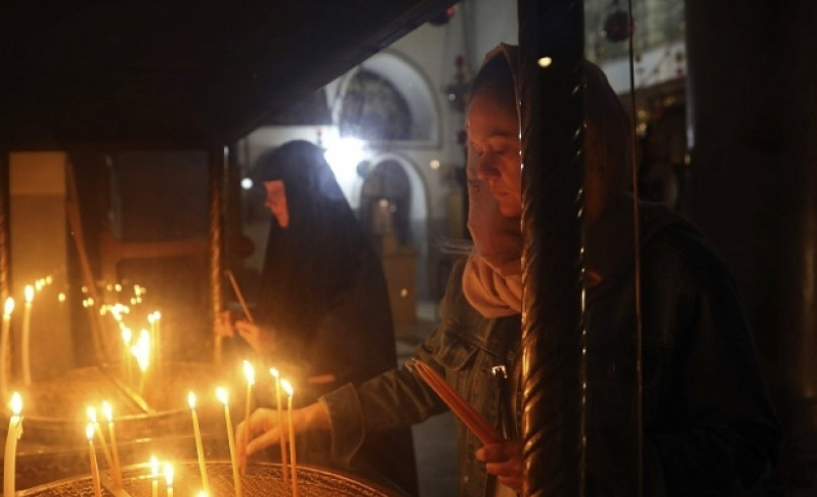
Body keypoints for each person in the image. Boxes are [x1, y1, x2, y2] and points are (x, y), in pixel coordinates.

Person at [239, 45, 782, 496]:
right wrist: (309, 419)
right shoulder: (480, 277)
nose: (480, 170)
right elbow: (430, 376)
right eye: (475, 150)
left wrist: (588, 465)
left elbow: (745, 445)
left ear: (577, 152)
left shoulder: (672, 277)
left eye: (502, 149)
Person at [222, 140, 418, 494]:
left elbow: (350, 348)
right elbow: (280, 313)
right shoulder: (285, 246)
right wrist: (242, 322)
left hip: (341, 430)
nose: (269, 203)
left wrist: (275, 341)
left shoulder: (351, 256)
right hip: (287, 411)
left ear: (304, 194)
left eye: (277, 193)